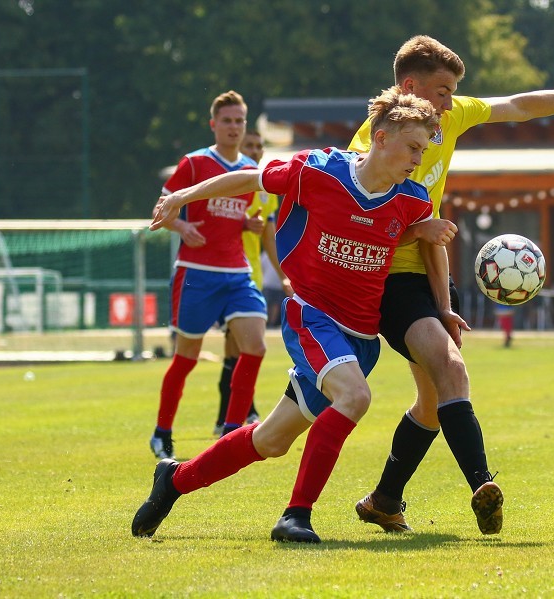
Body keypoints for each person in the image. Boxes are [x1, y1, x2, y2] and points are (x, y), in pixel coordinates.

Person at [133, 87, 458, 543]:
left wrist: (441, 301)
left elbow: (410, 243)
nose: (418, 159)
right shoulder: (318, 170)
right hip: (313, 316)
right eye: (413, 148)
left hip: (360, 338)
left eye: (423, 151)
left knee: (270, 440)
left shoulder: (412, 199)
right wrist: (184, 194)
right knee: (356, 398)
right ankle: (295, 516)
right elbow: (249, 178)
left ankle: (175, 479)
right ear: (380, 138)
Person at [348, 35, 554, 536]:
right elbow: (357, 219)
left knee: (434, 404)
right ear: (409, 86)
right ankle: (482, 485)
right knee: (451, 370)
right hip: (390, 280)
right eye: (441, 92)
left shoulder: (452, 116)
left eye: (453, 92)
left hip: (431, 271)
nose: (448, 103)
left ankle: (383, 500)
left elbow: (521, 105)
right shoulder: (373, 143)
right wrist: (417, 231)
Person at [150, 90, 268, 460]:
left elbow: (230, 216)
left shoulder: (250, 169)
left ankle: (231, 433)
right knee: (186, 357)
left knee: (256, 347)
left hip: (236, 273)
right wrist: (183, 229)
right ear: (213, 124)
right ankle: (162, 432)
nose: (234, 127)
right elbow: (160, 210)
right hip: (196, 274)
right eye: (228, 121)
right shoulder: (195, 164)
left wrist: (248, 224)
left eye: (240, 121)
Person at [213, 130, 293, 437]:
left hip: (251, 278)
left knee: (244, 349)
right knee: (237, 349)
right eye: (251, 145)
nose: (257, 150)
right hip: (225, 275)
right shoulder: (229, 184)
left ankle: (235, 416)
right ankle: (233, 416)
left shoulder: (265, 191)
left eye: (260, 146)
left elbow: (269, 237)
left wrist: (282, 272)